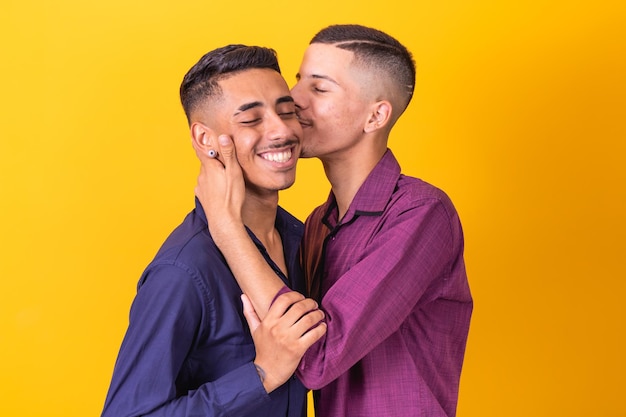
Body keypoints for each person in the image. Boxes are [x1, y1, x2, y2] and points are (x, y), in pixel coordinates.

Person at [194, 24, 473, 417]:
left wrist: (226, 229)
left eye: (319, 89)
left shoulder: (422, 214)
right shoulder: (316, 226)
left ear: (375, 116)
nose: (294, 99)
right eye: (299, 81)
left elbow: (316, 355)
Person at [101, 44, 326, 417]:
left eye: (287, 111)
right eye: (251, 120)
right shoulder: (183, 272)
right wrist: (261, 375)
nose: (282, 129)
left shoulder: (302, 240)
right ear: (206, 140)